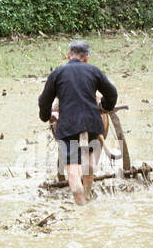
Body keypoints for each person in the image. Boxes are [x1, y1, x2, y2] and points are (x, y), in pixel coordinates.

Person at [38, 40, 118, 205]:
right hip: (93, 124)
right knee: (89, 165)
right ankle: (87, 196)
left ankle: (81, 206)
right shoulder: (94, 71)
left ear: (69, 56)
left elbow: (44, 101)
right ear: (86, 58)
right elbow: (112, 93)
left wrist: (46, 116)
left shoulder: (57, 73)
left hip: (68, 126)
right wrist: (104, 106)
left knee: (73, 167)